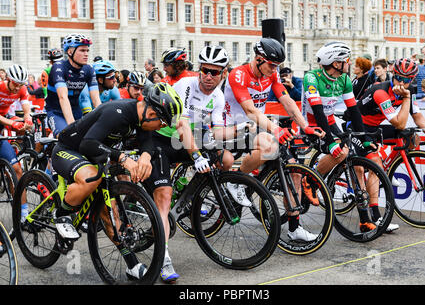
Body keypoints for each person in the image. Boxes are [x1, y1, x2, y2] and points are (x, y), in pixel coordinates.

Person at [50, 85, 182, 279]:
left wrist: (145, 156)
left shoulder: (141, 118)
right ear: (152, 113)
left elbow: (147, 141)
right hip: (70, 150)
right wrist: (122, 158)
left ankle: (131, 265)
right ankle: (61, 214)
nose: (162, 128)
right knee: (91, 178)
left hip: (93, 155)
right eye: (162, 124)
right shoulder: (117, 113)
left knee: (111, 212)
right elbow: (88, 143)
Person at [144, 46, 237, 283]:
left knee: (225, 159)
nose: (208, 76)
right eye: (205, 70)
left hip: (187, 140)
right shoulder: (185, 86)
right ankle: (162, 259)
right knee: (164, 197)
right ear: (199, 70)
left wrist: (245, 130)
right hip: (162, 139)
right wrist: (196, 156)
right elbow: (181, 125)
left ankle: (187, 190)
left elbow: (216, 132)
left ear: (222, 74)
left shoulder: (217, 96)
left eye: (214, 72)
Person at [224, 37, 324, 242]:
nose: (275, 69)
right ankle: (238, 181)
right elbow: (250, 110)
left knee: (294, 169)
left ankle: (294, 228)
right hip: (231, 128)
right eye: (271, 64)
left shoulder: (272, 74)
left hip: (256, 127)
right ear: (259, 59)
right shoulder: (239, 75)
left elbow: (286, 101)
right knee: (270, 145)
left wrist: (305, 126)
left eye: (277, 65)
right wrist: (276, 130)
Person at [303, 41, 377, 233]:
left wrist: (364, 137)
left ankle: (364, 219)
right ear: (336, 63)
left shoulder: (344, 79)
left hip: (329, 120)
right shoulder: (312, 77)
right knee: (340, 152)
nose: (349, 63)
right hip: (311, 123)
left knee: (356, 162)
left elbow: (354, 110)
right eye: (346, 60)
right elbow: (318, 112)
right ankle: (310, 181)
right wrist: (329, 141)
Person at [355, 58, 425, 232]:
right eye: (399, 77)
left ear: (412, 80)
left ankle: (386, 170)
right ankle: (376, 216)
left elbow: (417, 116)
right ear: (393, 74)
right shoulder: (381, 92)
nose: (401, 83)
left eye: (407, 80)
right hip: (358, 127)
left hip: (375, 127)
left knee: (412, 138)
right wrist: (406, 97)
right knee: (375, 165)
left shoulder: (410, 90)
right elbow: (399, 124)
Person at [45, 33, 100, 137]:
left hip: (75, 110)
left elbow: (96, 100)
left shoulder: (89, 69)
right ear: (70, 52)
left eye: (87, 50)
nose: (86, 54)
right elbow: (63, 97)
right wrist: (72, 126)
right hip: (56, 112)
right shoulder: (58, 67)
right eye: (82, 50)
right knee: (67, 137)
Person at [0, 64, 34, 224]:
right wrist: (11, 124)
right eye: (15, 84)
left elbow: (26, 107)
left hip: (4, 119)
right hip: (2, 119)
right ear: (8, 79)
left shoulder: (20, 89)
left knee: (17, 170)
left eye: (21, 85)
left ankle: (24, 213)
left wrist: (27, 118)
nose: (17, 88)